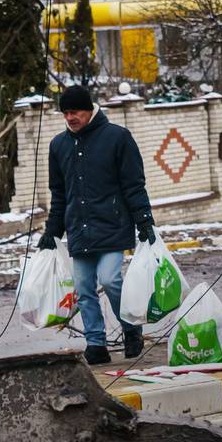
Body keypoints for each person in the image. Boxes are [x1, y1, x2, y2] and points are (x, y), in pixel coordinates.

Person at [38, 84, 155, 364]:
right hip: (79, 230)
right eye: (65, 113)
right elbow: (59, 194)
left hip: (113, 226)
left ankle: (131, 329)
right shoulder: (59, 145)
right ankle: (95, 343)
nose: (70, 117)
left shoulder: (117, 138)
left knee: (111, 279)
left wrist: (144, 222)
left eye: (75, 111)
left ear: (90, 109)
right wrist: (52, 231)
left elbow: (134, 185)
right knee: (83, 289)